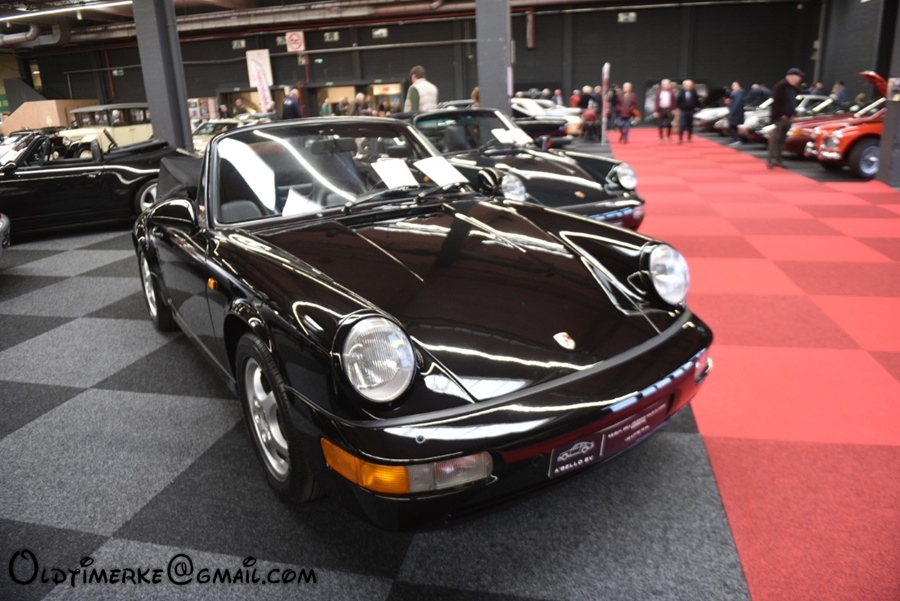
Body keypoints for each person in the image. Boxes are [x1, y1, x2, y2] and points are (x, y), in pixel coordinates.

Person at [767, 67, 804, 168]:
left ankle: (778, 159)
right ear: (791, 76)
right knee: (776, 139)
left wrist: (792, 114)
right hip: (780, 118)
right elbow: (776, 102)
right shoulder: (781, 86)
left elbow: (793, 101)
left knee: (781, 140)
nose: (799, 79)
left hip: (788, 117)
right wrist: (780, 114)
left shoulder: (793, 88)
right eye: (798, 77)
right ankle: (771, 159)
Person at [676, 79, 701, 143]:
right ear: (684, 86)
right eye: (686, 85)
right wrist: (678, 107)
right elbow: (678, 100)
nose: (688, 87)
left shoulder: (694, 91)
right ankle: (680, 138)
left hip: (691, 110)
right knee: (682, 124)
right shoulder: (681, 92)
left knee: (690, 124)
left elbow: (696, 100)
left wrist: (697, 106)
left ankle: (689, 137)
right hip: (683, 110)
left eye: (689, 85)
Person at [727, 81, 745, 145]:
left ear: (738, 85)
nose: (732, 86)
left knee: (732, 125)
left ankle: (735, 139)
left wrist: (732, 112)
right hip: (734, 111)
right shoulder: (735, 92)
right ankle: (734, 139)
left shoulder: (739, 93)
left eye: (734, 85)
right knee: (732, 126)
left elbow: (736, 103)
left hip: (736, 112)